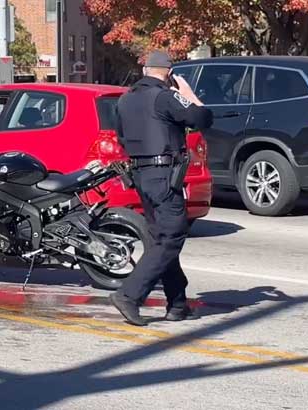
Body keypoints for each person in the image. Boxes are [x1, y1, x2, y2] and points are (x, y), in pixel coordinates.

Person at [110, 50, 213, 326]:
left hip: (142, 176)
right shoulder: (165, 96)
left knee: (162, 238)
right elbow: (202, 119)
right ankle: (129, 295)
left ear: (145, 70)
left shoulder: (125, 99)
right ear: (168, 73)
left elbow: (120, 137)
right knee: (172, 236)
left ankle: (177, 304)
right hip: (164, 175)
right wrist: (189, 94)